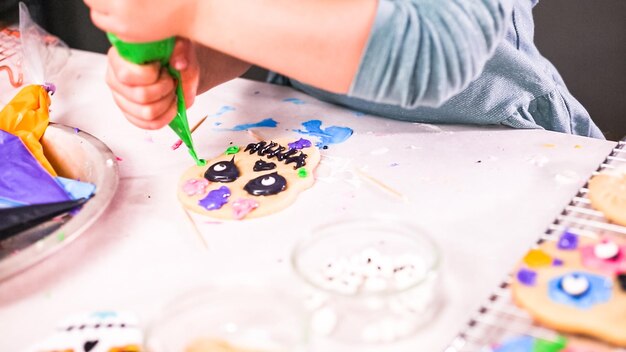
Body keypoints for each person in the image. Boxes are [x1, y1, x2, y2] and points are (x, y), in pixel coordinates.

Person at [83, 0, 604, 138]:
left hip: (499, 139)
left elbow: (436, 48)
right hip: (317, 131)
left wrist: (196, 10)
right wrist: (204, 57)